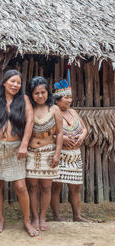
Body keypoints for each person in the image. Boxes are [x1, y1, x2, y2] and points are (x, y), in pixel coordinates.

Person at [0, 69, 38, 237]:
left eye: (18, 83)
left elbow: (30, 121)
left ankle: (27, 221)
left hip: (16, 148)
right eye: (12, 81)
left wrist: (24, 144)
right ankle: (0, 219)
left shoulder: (24, 100)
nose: (15, 85)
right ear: (4, 83)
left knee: (20, 186)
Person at [50, 71, 88, 222]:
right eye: (66, 97)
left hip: (75, 156)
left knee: (76, 186)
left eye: (70, 97)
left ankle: (77, 216)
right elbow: (45, 134)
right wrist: (62, 139)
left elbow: (84, 128)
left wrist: (82, 136)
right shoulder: (53, 112)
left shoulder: (73, 112)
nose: (69, 100)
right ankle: (56, 216)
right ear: (57, 100)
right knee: (56, 186)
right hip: (60, 155)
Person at [26, 77, 63, 231]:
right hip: (31, 153)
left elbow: (60, 133)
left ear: (48, 92)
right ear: (31, 94)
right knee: (33, 187)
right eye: (36, 93)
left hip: (49, 152)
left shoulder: (54, 109)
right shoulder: (29, 109)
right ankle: (34, 217)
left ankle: (43, 217)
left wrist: (57, 154)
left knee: (47, 187)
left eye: (43, 92)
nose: (40, 96)